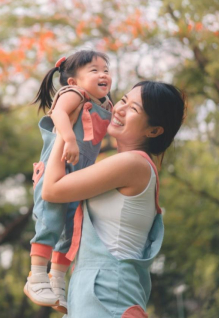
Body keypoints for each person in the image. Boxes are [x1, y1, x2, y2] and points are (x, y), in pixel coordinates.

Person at [41, 81, 186, 317]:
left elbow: (52, 190)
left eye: (134, 109)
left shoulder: (133, 163)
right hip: (97, 295)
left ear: (154, 130)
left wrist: (66, 126)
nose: (119, 109)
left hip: (109, 298)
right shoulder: (127, 165)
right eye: (124, 100)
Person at [24, 50, 113, 313]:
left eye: (106, 70)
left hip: (78, 177)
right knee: (50, 220)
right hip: (56, 169)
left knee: (72, 231)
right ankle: (36, 276)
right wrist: (70, 139)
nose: (103, 74)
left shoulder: (105, 104)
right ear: (73, 81)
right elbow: (58, 114)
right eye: (94, 70)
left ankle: (57, 281)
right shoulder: (74, 94)